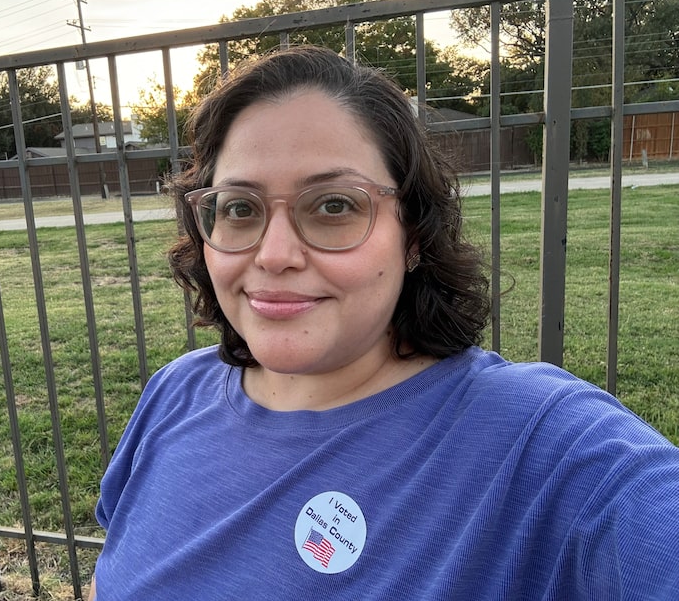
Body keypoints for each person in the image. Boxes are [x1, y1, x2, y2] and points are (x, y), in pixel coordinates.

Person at [90, 46, 679, 600]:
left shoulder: (547, 445)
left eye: (334, 206)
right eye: (240, 208)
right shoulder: (174, 394)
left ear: (414, 236)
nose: (273, 255)